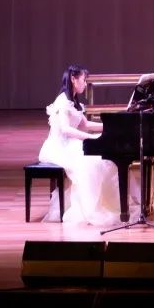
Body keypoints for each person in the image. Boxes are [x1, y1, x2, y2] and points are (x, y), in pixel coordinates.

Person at [38, 65, 123, 225]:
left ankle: (108, 203)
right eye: (84, 80)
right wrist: (89, 138)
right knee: (90, 163)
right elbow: (65, 129)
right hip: (59, 147)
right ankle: (88, 208)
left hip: (71, 144)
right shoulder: (63, 101)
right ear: (73, 79)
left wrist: (110, 126)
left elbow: (85, 125)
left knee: (104, 159)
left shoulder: (74, 101)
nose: (85, 83)